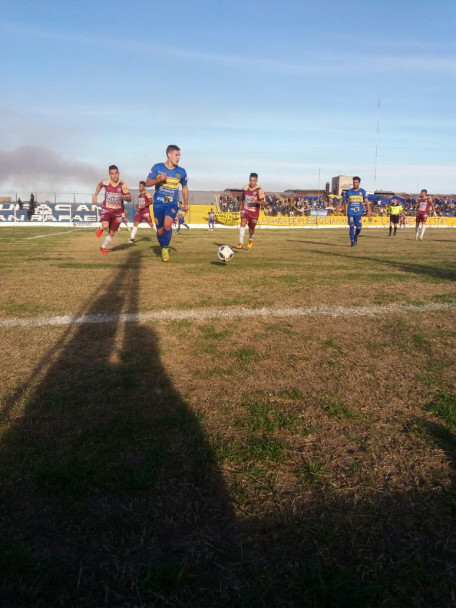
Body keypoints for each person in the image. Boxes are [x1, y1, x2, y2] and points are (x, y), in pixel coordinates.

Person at [146, 145, 188, 262]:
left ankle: (165, 249)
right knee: (160, 231)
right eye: (176, 155)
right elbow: (147, 183)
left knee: (168, 225)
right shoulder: (157, 167)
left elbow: (184, 188)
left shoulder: (181, 171)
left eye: (179, 155)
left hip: (172, 203)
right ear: (169, 155)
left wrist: (186, 203)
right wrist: (159, 179)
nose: (178, 158)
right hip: (158, 203)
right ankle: (162, 244)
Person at [92, 165, 131, 255]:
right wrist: (95, 195)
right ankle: (101, 228)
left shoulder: (122, 184)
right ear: (109, 174)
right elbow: (99, 185)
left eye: (116, 173)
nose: (114, 176)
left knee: (112, 233)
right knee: (105, 226)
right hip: (107, 209)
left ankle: (103, 247)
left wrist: (124, 197)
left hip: (118, 212)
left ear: (119, 173)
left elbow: (129, 199)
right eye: (112, 174)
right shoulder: (105, 182)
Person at [236, 172, 266, 249]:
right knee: (242, 223)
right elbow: (243, 197)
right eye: (250, 180)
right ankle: (240, 243)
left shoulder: (260, 189)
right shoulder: (245, 188)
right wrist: (241, 204)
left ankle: (250, 238)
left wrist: (256, 201)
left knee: (251, 229)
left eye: (253, 181)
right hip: (245, 209)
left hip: (254, 212)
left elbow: (263, 202)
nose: (251, 182)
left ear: (256, 181)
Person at [343, 176, 371, 246]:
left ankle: (355, 236)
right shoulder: (349, 192)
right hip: (350, 212)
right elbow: (342, 199)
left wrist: (369, 211)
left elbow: (367, 202)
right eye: (354, 182)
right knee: (351, 226)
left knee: (359, 228)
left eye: (356, 182)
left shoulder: (363, 191)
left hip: (358, 213)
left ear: (359, 183)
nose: (355, 184)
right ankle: (352, 241)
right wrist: (338, 206)